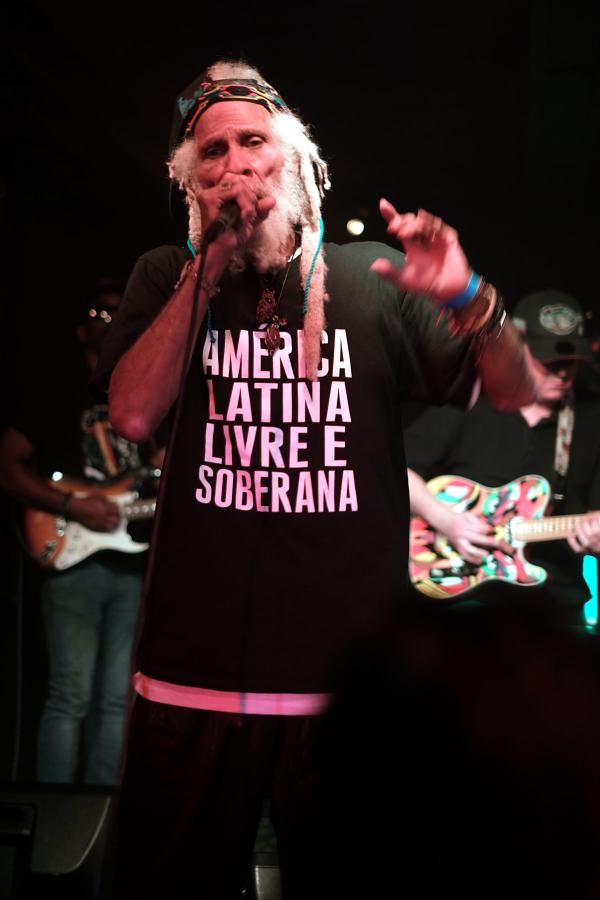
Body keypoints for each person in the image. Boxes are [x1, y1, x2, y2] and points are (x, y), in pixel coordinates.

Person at [93, 59, 543, 898]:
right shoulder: (168, 277)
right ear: (193, 183)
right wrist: (212, 259)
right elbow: (133, 417)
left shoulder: (370, 279)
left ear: (294, 159)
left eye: (253, 143)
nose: (236, 166)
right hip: (194, 677)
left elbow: (517, 390)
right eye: (213, 153)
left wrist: (471, 298)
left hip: (349, 689)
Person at [0, 278, 163, 785]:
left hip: (132, 564)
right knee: (70, 694)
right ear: (80, 329)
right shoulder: (55, 394)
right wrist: (73, 504)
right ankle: (52, 825)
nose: (112, 320)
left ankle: (98, 828)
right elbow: (8, 468)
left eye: (121, 312)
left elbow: (155, 471)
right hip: (72, 559)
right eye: (101, 312)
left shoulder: (144, 397)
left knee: (117, 700)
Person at [405, 288, 600, 620]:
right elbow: (396, 470)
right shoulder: (469, 402)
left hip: (553, 608)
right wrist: (446, 520)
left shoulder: (592, 421)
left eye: (569, 362)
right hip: (457, 604)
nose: (561, 372)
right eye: (547, 361)